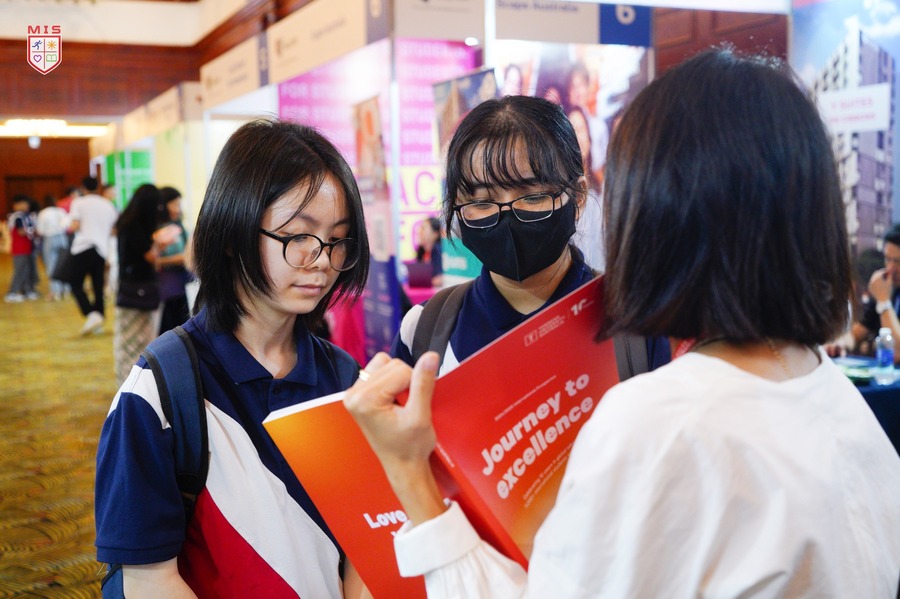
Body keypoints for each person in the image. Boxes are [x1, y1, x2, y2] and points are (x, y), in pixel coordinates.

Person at [344, 49, 900, 597]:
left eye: (533, 195)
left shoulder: (657, 420)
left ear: (657, 214)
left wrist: (411, 477)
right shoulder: (838, 400)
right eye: (482, 201)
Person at [95, 119, 371, 597]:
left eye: (338, 239)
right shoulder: (160, 392)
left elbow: (361, 550)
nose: (323, 260)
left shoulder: (346, 380)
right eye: (298, 236)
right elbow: (149, 579)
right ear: (230, 232)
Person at [391, 95, 668, 375]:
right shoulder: (423, 330)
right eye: (482, 202)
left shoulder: (639, 325)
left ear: (578, 196)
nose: (508, 217)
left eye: (532, 196)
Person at [113, 183, 162, 386]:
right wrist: (161, 244)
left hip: (129, 285)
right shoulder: (136, 226)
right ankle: (130, 383)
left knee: (130, 338)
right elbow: (149, 256)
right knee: (136, 338)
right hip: (138, 288)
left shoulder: (126, 222)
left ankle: (130, 381)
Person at [68, 175, 118, 335]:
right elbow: (114, 230)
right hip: (101, 249)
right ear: (98, 187)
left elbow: (75, 225)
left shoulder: (79, 202)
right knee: (98, 286)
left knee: (75, 283)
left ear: (83, 188)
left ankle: (90, 313)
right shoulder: (107, 204)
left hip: (83, 247)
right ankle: (99, 318)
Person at [851, 223, 900, 360]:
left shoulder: (884, 295)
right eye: (887, 259)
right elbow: (856, 334)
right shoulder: (889, 289)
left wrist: (884, 302)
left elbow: (897, 352)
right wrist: (839, 344)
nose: (891, 268)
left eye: (898, 262)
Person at [154, 186, 193, 335]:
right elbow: (154, 259)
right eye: (175, 204)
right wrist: (176, 259)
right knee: (169, 329)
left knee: (182, 327)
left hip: (179, 284)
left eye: (179, 204)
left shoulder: (178, 225)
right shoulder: (158, 228)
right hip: (165, 286)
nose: (178, 209)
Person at [4, 195, 38, 303]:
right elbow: (21, 232)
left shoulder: (25, 215)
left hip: (27, 247)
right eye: (23, 203)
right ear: (16, 205)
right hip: (20, 248)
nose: (26, 206)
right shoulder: (17, 217)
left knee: (26, 271)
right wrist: (33, 231)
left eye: (27, 203)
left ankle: (27, 291)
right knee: (19, 271)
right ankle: (12, 293)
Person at [36, 194, 71, 301]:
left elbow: (40, 230)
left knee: (51, 265)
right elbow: (68, 225)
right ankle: (66, 290)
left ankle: (55, 291)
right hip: (62, 238)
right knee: (64, 264)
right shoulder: (61, 211)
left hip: (50, 239)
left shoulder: (43, 213)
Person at [414, 216, 443, 287]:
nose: (419, 231)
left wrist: (420, 281)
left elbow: (438, 279)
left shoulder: (438, 251)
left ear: (435, 234)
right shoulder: (421, 251)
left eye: (424, 228)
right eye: (420, 228)